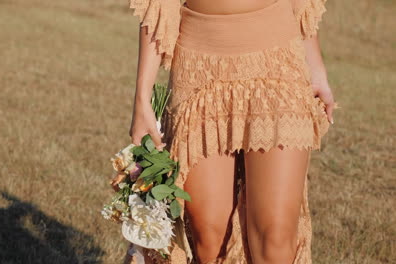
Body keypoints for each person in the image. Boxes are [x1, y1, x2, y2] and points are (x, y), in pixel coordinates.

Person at [127, 0, 339, 263]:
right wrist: (142, 97)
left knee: (275, 235)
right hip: (198, 69)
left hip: (278, 63)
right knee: (210, 236)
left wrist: (316, 68)